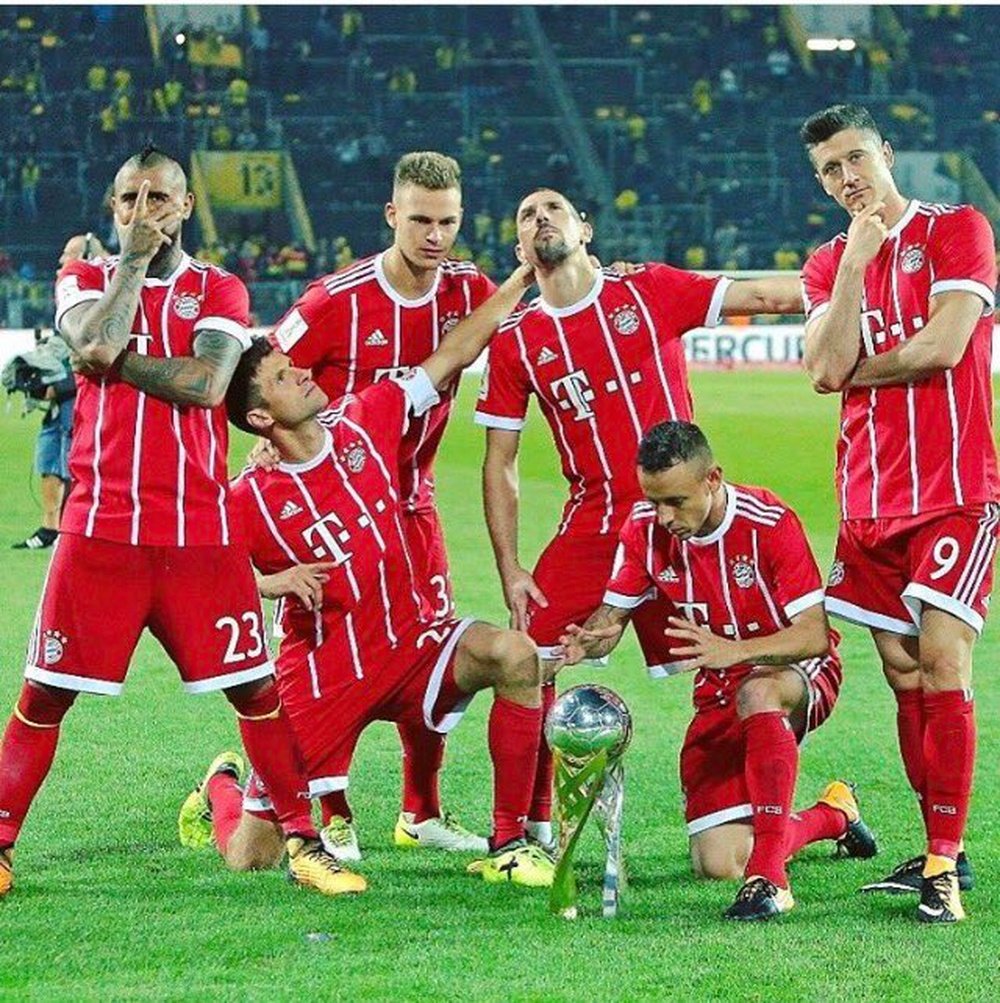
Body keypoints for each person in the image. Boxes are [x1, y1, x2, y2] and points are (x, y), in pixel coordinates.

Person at [0, 146, 361, 899]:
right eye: (129, 198)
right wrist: (126, 271)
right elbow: (93, 339)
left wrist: (108, 361)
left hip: (199, 530)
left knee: (255, 689)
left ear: (188, 206)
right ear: (112, 209)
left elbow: (204, 386)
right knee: (44, 695)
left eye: (159, 198)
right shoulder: (86, 276)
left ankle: (304, 842)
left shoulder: (220, 288)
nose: (144, 212)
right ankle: (0, 845)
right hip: (99, 527)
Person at [182, 261, 557, 888]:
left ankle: (511, 840)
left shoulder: (366, 418)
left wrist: (524, 276)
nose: (303, 371)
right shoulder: (247, 498)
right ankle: (218, 787)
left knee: (517, 655)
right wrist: (274, 583)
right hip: (325, 677)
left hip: (415, 646)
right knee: (252, 857)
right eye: (282, 377)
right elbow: (192, 586)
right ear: (259, 421)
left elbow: (453, 352)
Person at [475, 187, 804, 852]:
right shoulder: (518, 341)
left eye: (553, 209)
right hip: (593, 523)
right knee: (527, 658)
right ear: (518, 249)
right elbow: (500, 461)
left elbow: (765, 297)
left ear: (585, 228)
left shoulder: (646, 291)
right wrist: (510, 565)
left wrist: (865, 278)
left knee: (754, 661)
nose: (541, 219)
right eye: (526, 216)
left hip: (686, 519)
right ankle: (517, 836)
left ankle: (775, 821)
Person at [799, 104, 998, 923]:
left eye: (855, 159)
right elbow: (821, 368)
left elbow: (944, 346)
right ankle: (934, 845)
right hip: (869, 504)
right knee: (905, 675)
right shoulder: (824, 263)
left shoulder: (957, 229)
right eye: (829, 171)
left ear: (885, 152)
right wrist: (852, 268)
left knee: (945, 663)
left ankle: (945, 867)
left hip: (953, 491)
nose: (847, 179)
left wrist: (850, 368)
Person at [268, 151, 497, 857]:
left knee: (430, 651)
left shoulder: (467, 290)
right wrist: (272, 444)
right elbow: (261, 371)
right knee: (331, 653)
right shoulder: (334, 299)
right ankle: (331, 810)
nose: (435, 235)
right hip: (332, 517)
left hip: (412, 504)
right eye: (421, 219)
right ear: (392, 215)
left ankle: (420, 810)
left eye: (448, 221)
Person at [558, 421, 876, 921]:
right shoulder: (644, 530)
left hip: (795, 670)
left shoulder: (769, 523)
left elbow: (814, 635)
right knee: (719, 861)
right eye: (654, 500)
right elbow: (612, 617)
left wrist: (737, 650)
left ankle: (771, 881)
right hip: (719, 688)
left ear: (713, 479)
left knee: (758, 693)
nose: (664, 516)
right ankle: (835, 814)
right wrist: (589, 638)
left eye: (676, 501)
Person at [13, 234, 107, 551]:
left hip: (81, 399)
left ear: (88, 258)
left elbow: (96, 354)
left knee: (74, 463)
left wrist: (60, 384)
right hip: (62, 400)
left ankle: (74, 528)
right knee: (48, 459)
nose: (59, 264)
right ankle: (49, 528)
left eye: (67, 255)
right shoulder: (70, 295)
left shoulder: (101, 297)